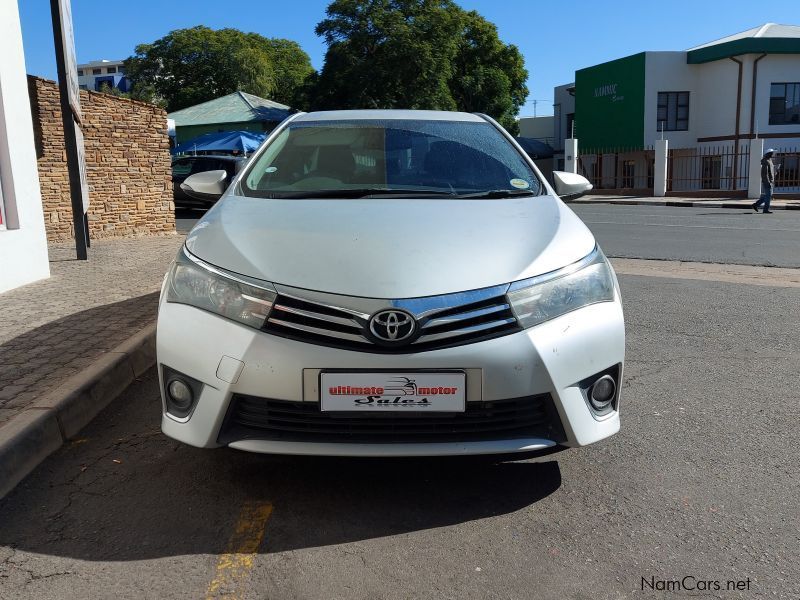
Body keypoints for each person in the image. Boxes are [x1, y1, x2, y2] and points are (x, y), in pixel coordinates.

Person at [752, 149, 776, 214]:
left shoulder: (770, 161)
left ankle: (756, 205)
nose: (772, 154)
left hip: (770, 181)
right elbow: (764, 173)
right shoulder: (765, 161)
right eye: (771, 153)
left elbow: (770, 171)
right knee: (768, 196)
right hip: (767, 181)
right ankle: (765, 209)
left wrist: (774, 172)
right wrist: (767, 182)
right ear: (767, 154)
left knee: (768, 195)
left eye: (772, 153)